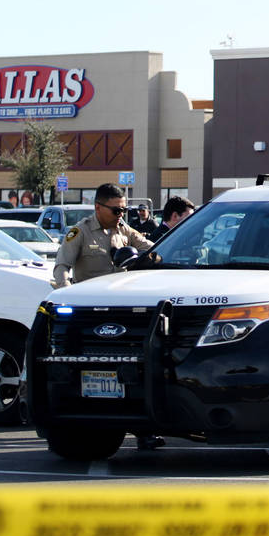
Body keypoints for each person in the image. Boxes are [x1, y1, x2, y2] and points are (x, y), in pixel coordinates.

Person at [52, 183, 164, 451]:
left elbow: (151, 248)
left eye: (124, 209)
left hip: (124, 312)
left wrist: (168, 255)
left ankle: (144, 432)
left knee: (136, 372)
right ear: (98, 207)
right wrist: (67, 296)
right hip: (90, 315)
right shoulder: (80, 232)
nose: (121, 214)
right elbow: (62, 267)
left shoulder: (123, 229)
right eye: (116, 210)